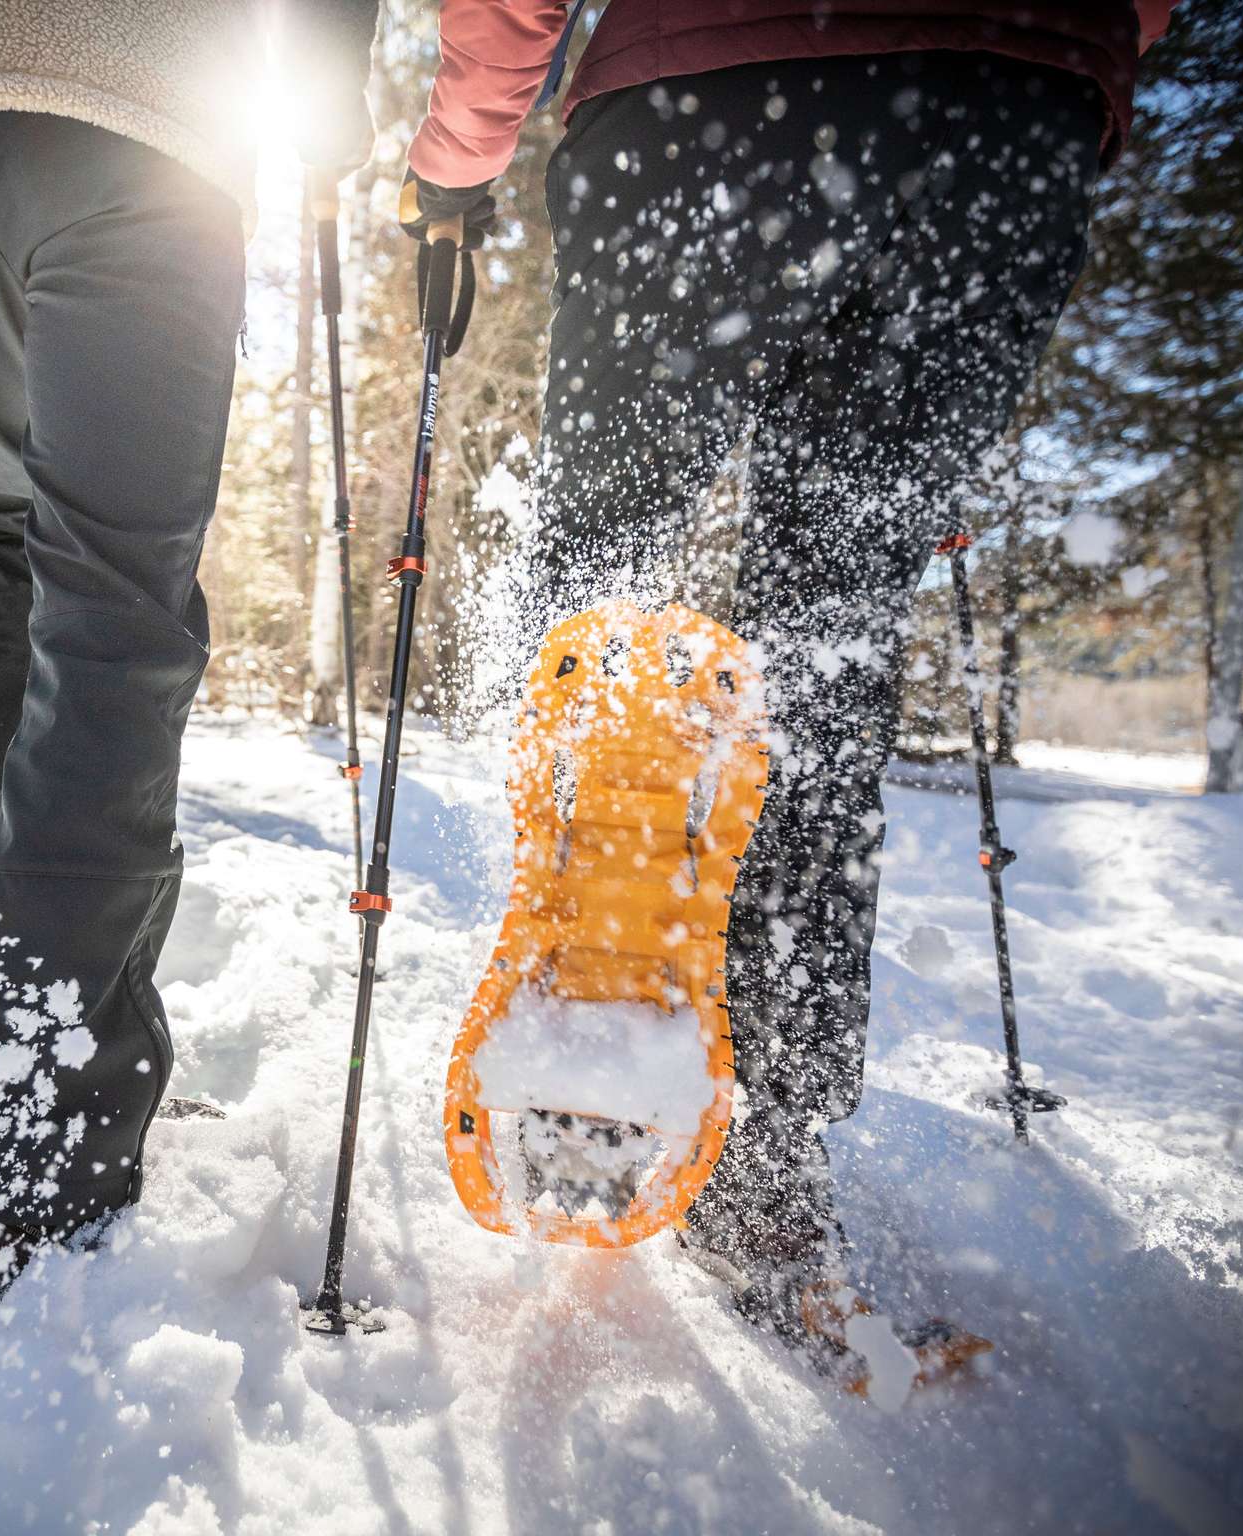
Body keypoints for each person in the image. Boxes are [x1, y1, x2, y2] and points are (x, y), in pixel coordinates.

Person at [399, 0, 1174, 1363]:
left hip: (706, 99)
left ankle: (589, 1059)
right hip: (1004, 114)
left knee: (606, 606)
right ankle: (760, 1161)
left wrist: (463, 150)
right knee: (827, 646)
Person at [0, 0, 380, 1373]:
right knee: (111, 592)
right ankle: (39, 1140)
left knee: (14, 529)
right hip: (133, 98)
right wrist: (327, 106)